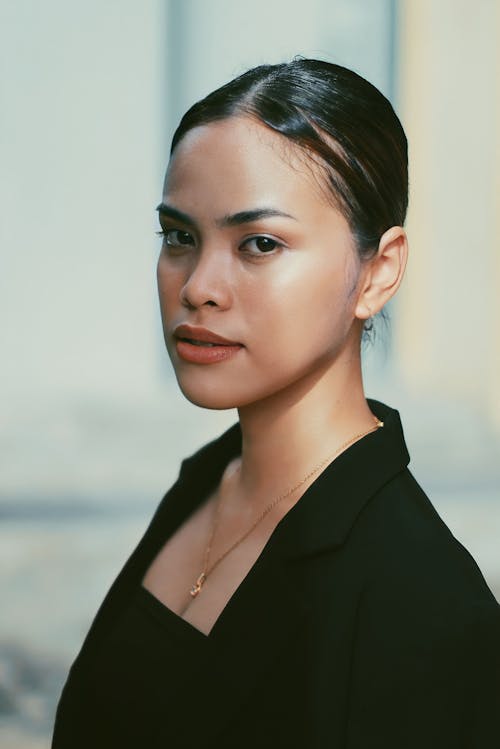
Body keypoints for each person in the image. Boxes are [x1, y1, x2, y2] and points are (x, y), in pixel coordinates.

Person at [52, 59, 500, 748]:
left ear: (377, 272)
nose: (199, 285)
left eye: (259, 244)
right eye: (179, 236)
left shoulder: (423, 606)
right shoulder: (208, 480)